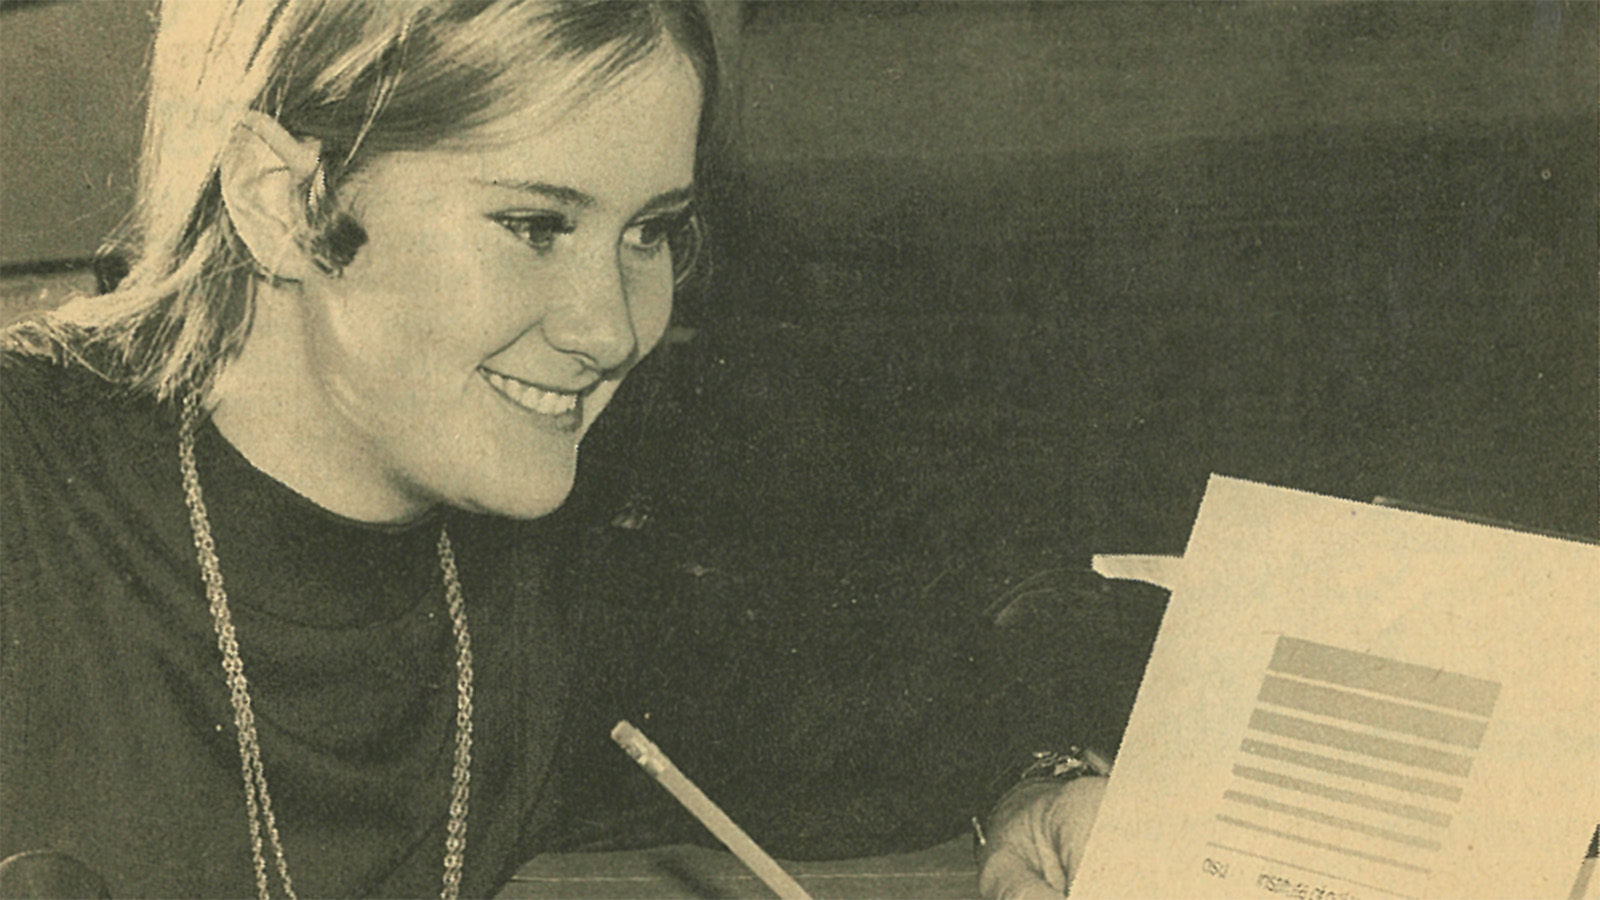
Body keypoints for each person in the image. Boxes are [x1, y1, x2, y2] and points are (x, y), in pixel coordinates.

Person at [0, 2, 1153, 896]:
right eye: (534, 225)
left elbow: (896, 688)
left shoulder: (558, 532)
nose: (612, 329)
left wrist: (1039, 782)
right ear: (283, 200)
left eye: (650, 232)